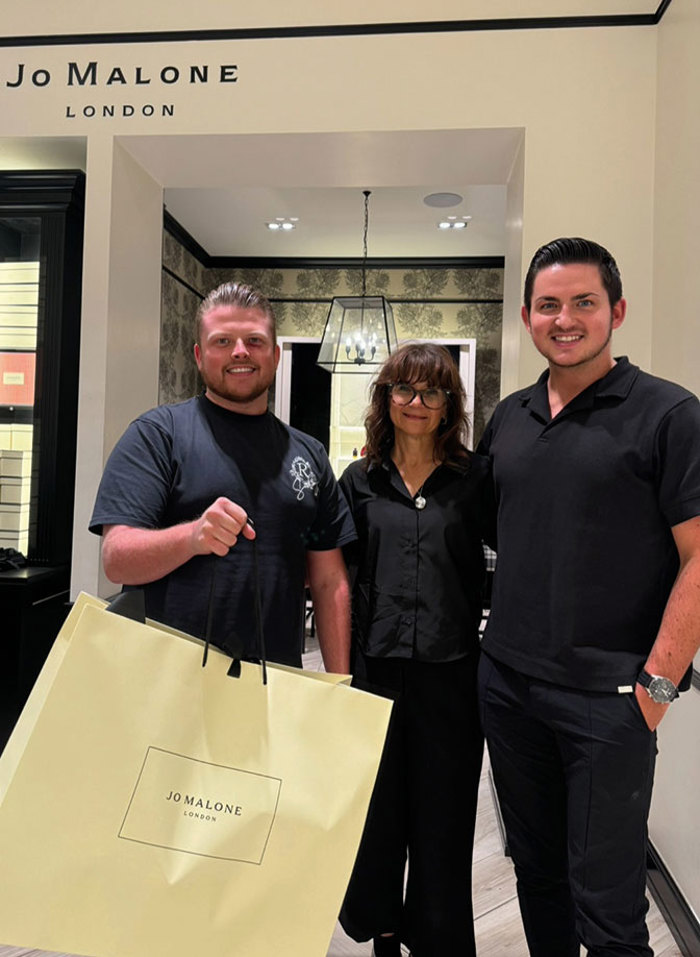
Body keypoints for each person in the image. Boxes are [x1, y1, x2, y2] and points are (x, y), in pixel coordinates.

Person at [477, 237, 700, 956]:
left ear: (617, 311)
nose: (564, 318)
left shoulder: (668, 414)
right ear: (527, 316)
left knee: (606, 900)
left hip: (610, 699)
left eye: (583, 302)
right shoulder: (508, 417)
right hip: (510, 687)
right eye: (549, 304)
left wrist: (658, 684)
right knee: (538, 877)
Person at [89, 282, 355, 671]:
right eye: (222, 341)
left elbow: (329, 581)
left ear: (277, 355)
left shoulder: (308, 455)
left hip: (275, 680)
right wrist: (192, 536)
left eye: (254, 340)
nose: (240, 351)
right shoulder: (158, 435)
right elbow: (117, 559)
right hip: (166, 680)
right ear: (199, 355)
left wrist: (339, 686)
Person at [338, 343, 492, 957]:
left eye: (432, 392)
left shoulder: (475, 479)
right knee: (377, 818)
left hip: (453, 677)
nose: (417, 403)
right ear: (386, 397)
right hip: (373, 673)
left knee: (445, 818)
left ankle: (438, 940)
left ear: (450, 403)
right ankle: (383, 930)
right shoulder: (359, 479)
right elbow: (338, 581)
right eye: (405, 389)